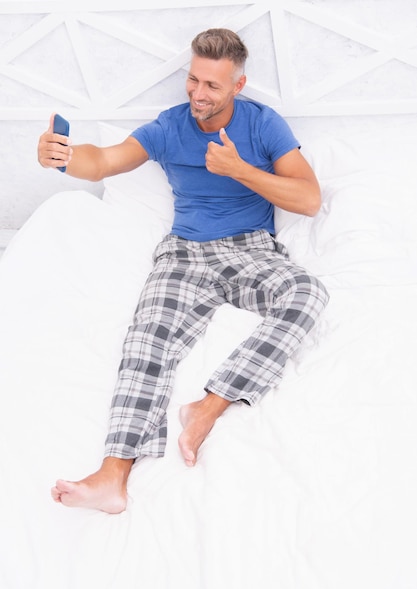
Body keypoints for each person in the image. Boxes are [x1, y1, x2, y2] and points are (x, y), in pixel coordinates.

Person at [38, 28, 329, 514]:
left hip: (252, 249)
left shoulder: (263, 124)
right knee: (146, 339)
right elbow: (106, 161)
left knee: (308, 295)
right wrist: (66, 158)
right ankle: (113, 475)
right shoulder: (168, 127)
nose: (198, 93)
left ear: (238, 85)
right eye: (193, 80)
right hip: (184, 252)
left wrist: (241, 170)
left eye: (212, 86)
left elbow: (310, 199)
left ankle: (210, 405)